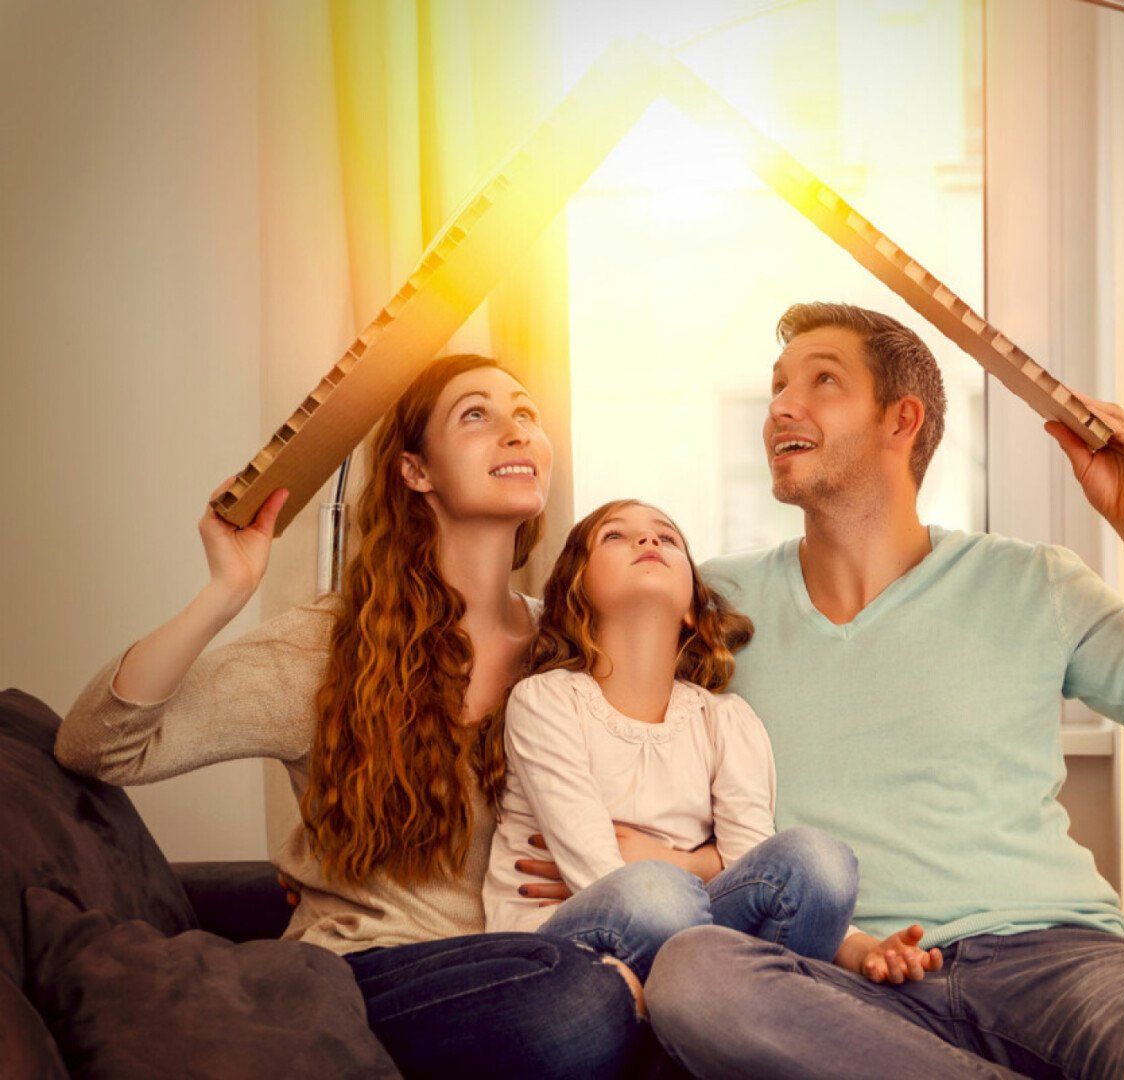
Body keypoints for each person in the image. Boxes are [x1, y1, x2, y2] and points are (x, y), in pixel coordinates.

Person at [642, 303, 1124, 1079]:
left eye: (822, 382)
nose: (781, 406)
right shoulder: (713, 600)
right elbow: (590, 704)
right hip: (843, 976)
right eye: (778, 386)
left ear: (902, 421)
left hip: (1053, 959)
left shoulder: (1031, 583)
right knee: (697, 975)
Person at [54, 354, 669, 1077]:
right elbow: (98, 744)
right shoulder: (328, 647)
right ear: (415, 471)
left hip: (536, 953)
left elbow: (680, 822)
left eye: (526, 414)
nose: (515, 431)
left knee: (627, 980)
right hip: (375, 977)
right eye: (477, 414)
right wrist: (226, 591)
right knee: (575, 1004)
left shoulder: (568, 653)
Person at [483, 498, 858, 984]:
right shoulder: (547, 700)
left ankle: (714, 1007)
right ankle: (728, 1001)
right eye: (615, 536)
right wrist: (687, 869)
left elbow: (756, 868)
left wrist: (853, 943)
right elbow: (599, 872)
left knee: (818, 860)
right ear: (578, 594)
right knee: (656, 894)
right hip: (568, 935)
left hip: (688, 927)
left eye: (668, 537)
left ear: (690, 610)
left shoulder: (724, 720)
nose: (649, 540)